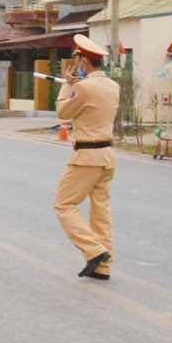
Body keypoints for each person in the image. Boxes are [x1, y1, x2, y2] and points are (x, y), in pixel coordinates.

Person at [54, 34, 119, 280]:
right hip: (107, 155)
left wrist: (67, 84)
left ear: (83, 61)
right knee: (100, 211)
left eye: (77, 58)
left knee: (64, 205)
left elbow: (62, 112)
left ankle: (95, 251)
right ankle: (104, 266)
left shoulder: (83, 87)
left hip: (87, 156)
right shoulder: (113, 86)